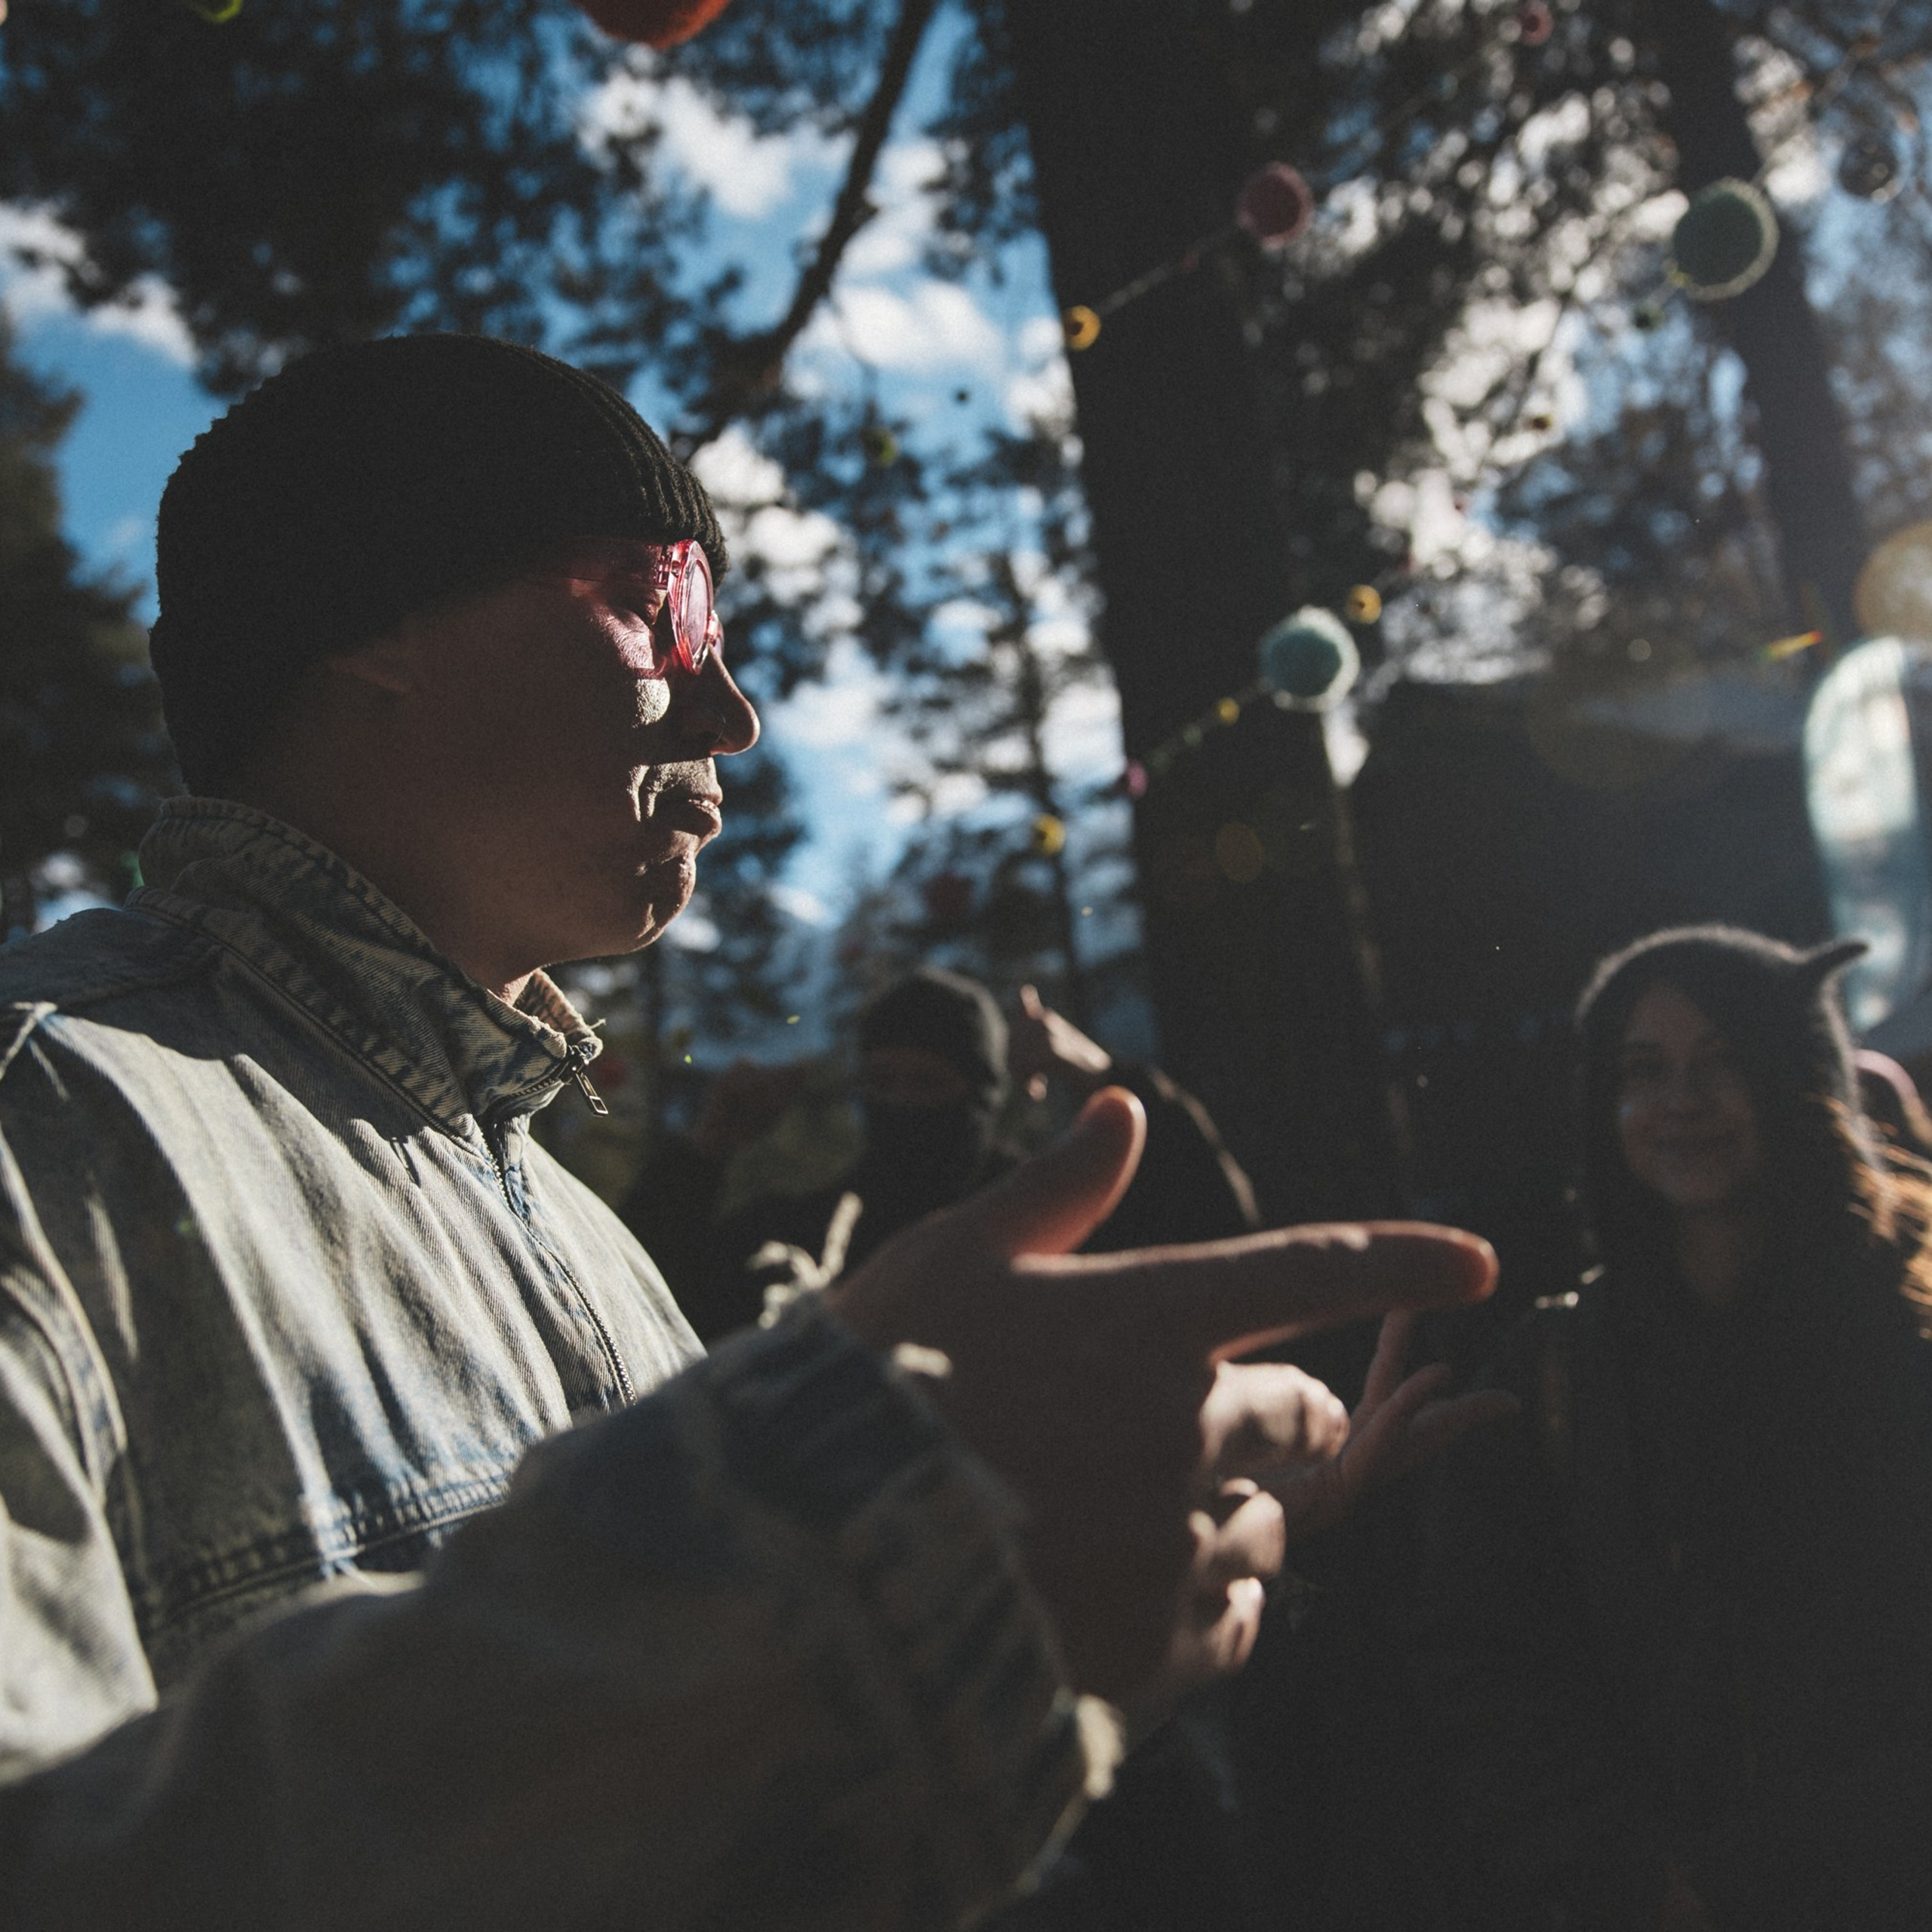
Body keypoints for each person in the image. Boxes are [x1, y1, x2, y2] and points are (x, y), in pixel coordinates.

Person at [0, 332, 1499, 1928]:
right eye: (666, 609)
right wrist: (831, 1593)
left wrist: (1107, 1539)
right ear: (373, 623)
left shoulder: (571, 1226)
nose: (733, 708)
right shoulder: (50, 1126)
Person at [1413, 925, 1932, 1931]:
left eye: (1722, 1061)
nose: (1679, 1101)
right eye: (1642, 1071)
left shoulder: (1908, 1333)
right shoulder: (1556, 1375)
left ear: (1797, 1078)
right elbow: (1484, 1664)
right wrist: (1635, 1880)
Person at [631, 969, 1260, 1343]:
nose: (901, 1104)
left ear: (979, 1098)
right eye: (881, 1083)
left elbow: (1215, 1231)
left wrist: (1099, 1073)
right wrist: (704, 1154)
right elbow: (638, 1298)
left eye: (927, 1083)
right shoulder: (807, 1240)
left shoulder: (1057, 1221)